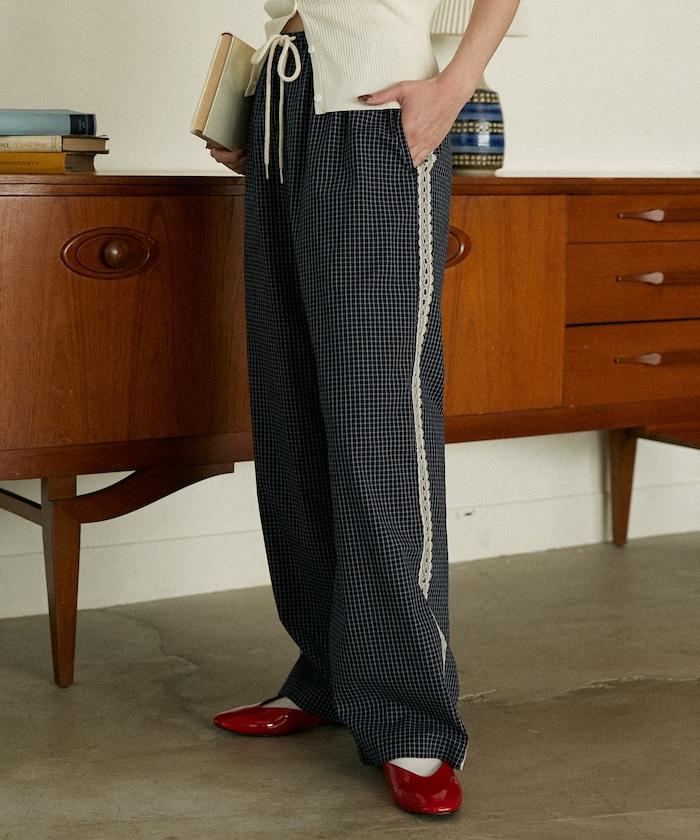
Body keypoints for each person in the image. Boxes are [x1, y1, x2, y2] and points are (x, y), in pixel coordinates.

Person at [207, 0, 521, 816]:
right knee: (291, 406)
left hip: (377, 107)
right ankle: (327, 676)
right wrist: (248, 112)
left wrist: (453, 87)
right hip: (283, 104)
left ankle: (410, 713)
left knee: (376, 419)